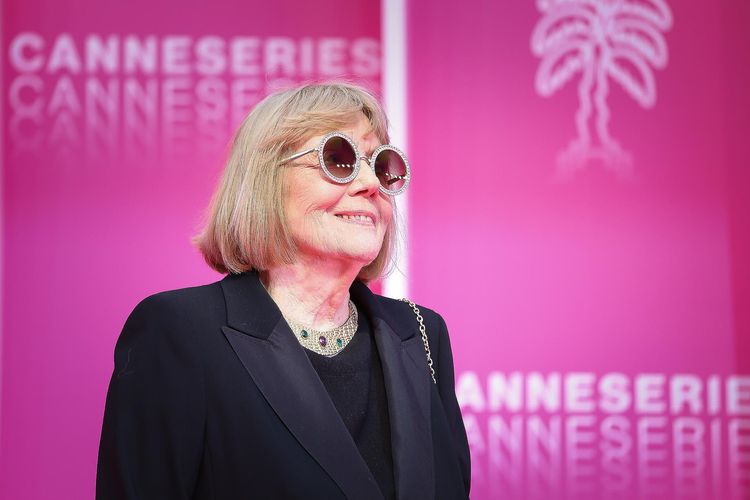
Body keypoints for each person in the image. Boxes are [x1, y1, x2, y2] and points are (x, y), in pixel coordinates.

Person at [96, 82, 470, 499]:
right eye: (338, 159)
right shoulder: (181, 333)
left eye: (381, 165)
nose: (370, 184)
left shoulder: (421, 334)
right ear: (267, 181)